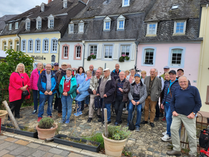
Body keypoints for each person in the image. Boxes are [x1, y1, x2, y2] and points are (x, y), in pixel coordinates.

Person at [166, 76, 202, 157]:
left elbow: (198, 103)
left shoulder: (194, 90)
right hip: (177, 114)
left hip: (189, 116)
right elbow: (172, 102)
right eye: (181, 82)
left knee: (191, 134)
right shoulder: (176, 90)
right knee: (173, 129)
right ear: (179, 83)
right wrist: (173, 111)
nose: (183, 83)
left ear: (187, 81)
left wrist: (193, 113)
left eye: (184, 81)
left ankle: (193, 153)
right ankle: (176, 149)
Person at [160, 70, 180, 141]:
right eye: (170, 74)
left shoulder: (178, 83)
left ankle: (169, 135)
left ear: (175, 75)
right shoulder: (167, 82)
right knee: (168, 118)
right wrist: (162, 102)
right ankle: (168, 130)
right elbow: (165, 93)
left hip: (172, 104)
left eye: (172, 74)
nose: (171, 76)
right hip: (166, 103)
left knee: (168, 117)